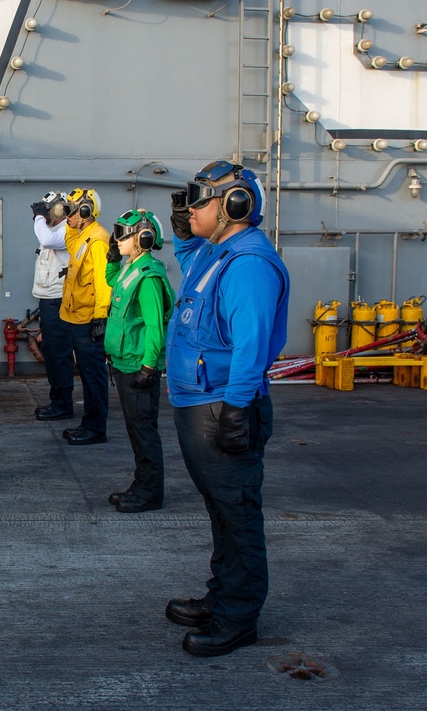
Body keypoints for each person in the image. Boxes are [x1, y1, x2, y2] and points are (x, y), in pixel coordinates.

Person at [164, 160, 289, 657]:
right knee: (221, 510)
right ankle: (222, 597)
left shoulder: (248, 264)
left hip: (223, 406)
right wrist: (183, 226)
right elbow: (190, 256)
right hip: (201, 403)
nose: (191, 207)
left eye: (201, 200)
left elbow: (251, 345)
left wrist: (237, 409)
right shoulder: (217, 252)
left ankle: (238, 617)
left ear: (235, 204)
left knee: (237, 514)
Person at [103, 209, 175, 513]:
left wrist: (149, 366)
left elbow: (155, 326)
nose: (118, 239)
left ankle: (150, 493)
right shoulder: (131, 268)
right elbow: (111, 280)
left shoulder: (148, 277)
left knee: (144, 431)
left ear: (143, 239)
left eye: (123, 234)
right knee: (135, 430)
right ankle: (141, 484)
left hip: (137, 366)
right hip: (123, 363)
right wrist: (112, 256)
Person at [59, 188, 111, 445]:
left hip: (90, 320)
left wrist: (100, 317)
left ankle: (96, 428)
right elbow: (71, 247)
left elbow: (104, 282)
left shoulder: (98, 240)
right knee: (88, 375)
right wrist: (71, 224)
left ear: (86, 211)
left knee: (94, 375)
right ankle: (89, 423)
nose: (66, 215)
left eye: (71, 210)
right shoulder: (83, 236)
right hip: (77, 317)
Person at [30, 191, 75, 422]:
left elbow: (45, 239)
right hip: (49, 299)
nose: (46, 213)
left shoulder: (66, 230)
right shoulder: (56, 230)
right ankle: (58, 401)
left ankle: (63, 404)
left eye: (48, 209)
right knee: (53, 352)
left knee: (59, 354)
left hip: (58, 300)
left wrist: (38, 217)